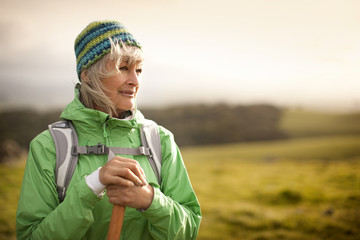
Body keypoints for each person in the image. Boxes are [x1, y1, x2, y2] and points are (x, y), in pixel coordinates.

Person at [16, 20, 201, 240]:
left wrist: (151, 200)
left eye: (139, 70)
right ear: (87, 74)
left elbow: (189, 229)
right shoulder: (49, 146)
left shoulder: (160, 140)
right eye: (123, 68)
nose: (135, 81)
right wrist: (91, 186)